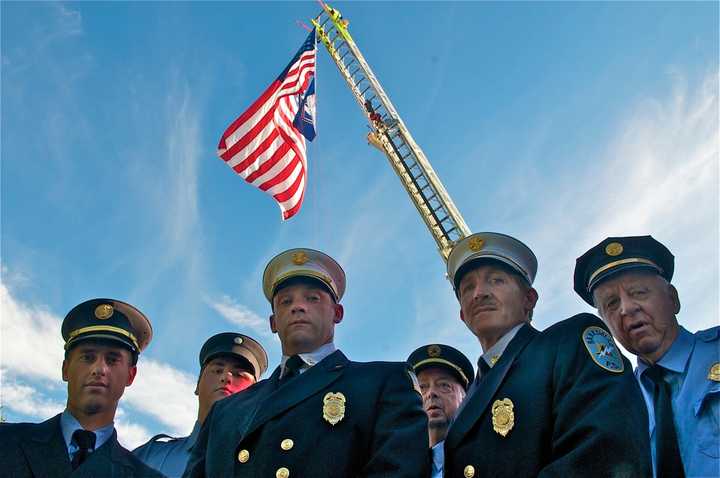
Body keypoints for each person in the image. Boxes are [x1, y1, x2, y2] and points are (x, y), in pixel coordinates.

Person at [183, 248, 429, 478]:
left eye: (312, 298)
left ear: (337, 313)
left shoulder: (382, 383)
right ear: (273, 322)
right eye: (286, 301)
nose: (298, 307)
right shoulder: (225, 411)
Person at [442, 232, 652, 478]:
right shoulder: (465, 405)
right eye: (468, 288)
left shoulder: (570, 342)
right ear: (462, 315)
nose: (479, 293)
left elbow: (606, 451)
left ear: (529, 299)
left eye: (496, 281)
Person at [574, 235, 720, 478]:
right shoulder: (615, 407)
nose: (626, 308)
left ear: (672, 299)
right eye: (611, 304)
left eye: (639, 292)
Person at [0, 298, 164, 478]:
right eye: (87, 357)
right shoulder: (5, 441)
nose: (99, 369)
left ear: (130, 375)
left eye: (112, 359)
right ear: (65, 369)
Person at [133, 332, 268, 477]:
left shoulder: (266, 466)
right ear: (197, 385)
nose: (225, 377)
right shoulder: (149, 457)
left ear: (255, 395)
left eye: (239, 374)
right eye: (217, 370)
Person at [407, 343, 473, 478]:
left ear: (465, 397)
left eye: (444, 385)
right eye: (422, 388)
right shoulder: (401, 464)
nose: (431, 393)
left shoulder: (484, 454)